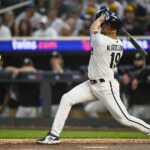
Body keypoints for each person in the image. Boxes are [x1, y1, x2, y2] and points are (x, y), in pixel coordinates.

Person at [37, 7, 150, 145]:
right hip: (92, 84)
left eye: (107, 26)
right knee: (66, 98)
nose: (104, 26)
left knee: (124, 119)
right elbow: (98, 28)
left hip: (106, 86)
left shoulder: (102, 41)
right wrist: (106, 18)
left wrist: (102, 17)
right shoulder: (118, 43)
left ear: (114, 30)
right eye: (104, 25)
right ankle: (54, 135)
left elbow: (93, 27)